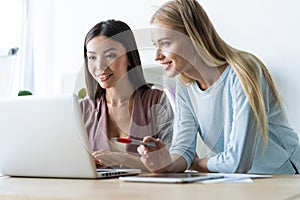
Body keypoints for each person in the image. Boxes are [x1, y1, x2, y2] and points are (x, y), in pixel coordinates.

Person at [137, 0, 300, 174]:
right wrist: (164, 163)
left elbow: (237, 162)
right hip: (242, 182)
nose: (157, 55)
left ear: (193, 36)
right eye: (156, 45)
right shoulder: (185, 86)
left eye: (166, 43)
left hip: (286, 177)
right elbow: (184, 150)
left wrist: (197, 164)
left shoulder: (243, 71)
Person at [80, 19, 174, 170]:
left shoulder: (156, 101)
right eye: (92, 57)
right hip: (95, 192)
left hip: (148, 192)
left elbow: (174, 160)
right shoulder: (82, 109)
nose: (100, 66)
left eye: (110, 55)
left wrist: (123, 159)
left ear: (129, 57)